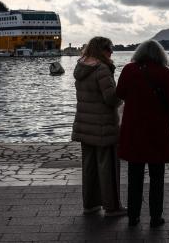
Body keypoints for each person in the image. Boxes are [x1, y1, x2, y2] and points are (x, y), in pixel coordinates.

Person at [116, 40, 169, 227]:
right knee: (157, 176)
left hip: (134, 130)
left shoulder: (129, 70)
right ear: (161, 55)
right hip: (158, 132)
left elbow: (120, 93)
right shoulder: (166, 74)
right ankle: (156, 217)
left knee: (134, 175)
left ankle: (133, 216)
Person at [71, 36, 127, 217]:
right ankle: (112, 207)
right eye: (110, 48)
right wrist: (123, 95)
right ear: (102, 50)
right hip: (103, 126)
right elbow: (111, 98)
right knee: (108, 167)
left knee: (89, 167)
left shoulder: (82, 66)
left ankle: (90, 204)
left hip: (85, 125)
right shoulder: (102, 69)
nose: (112, 52)